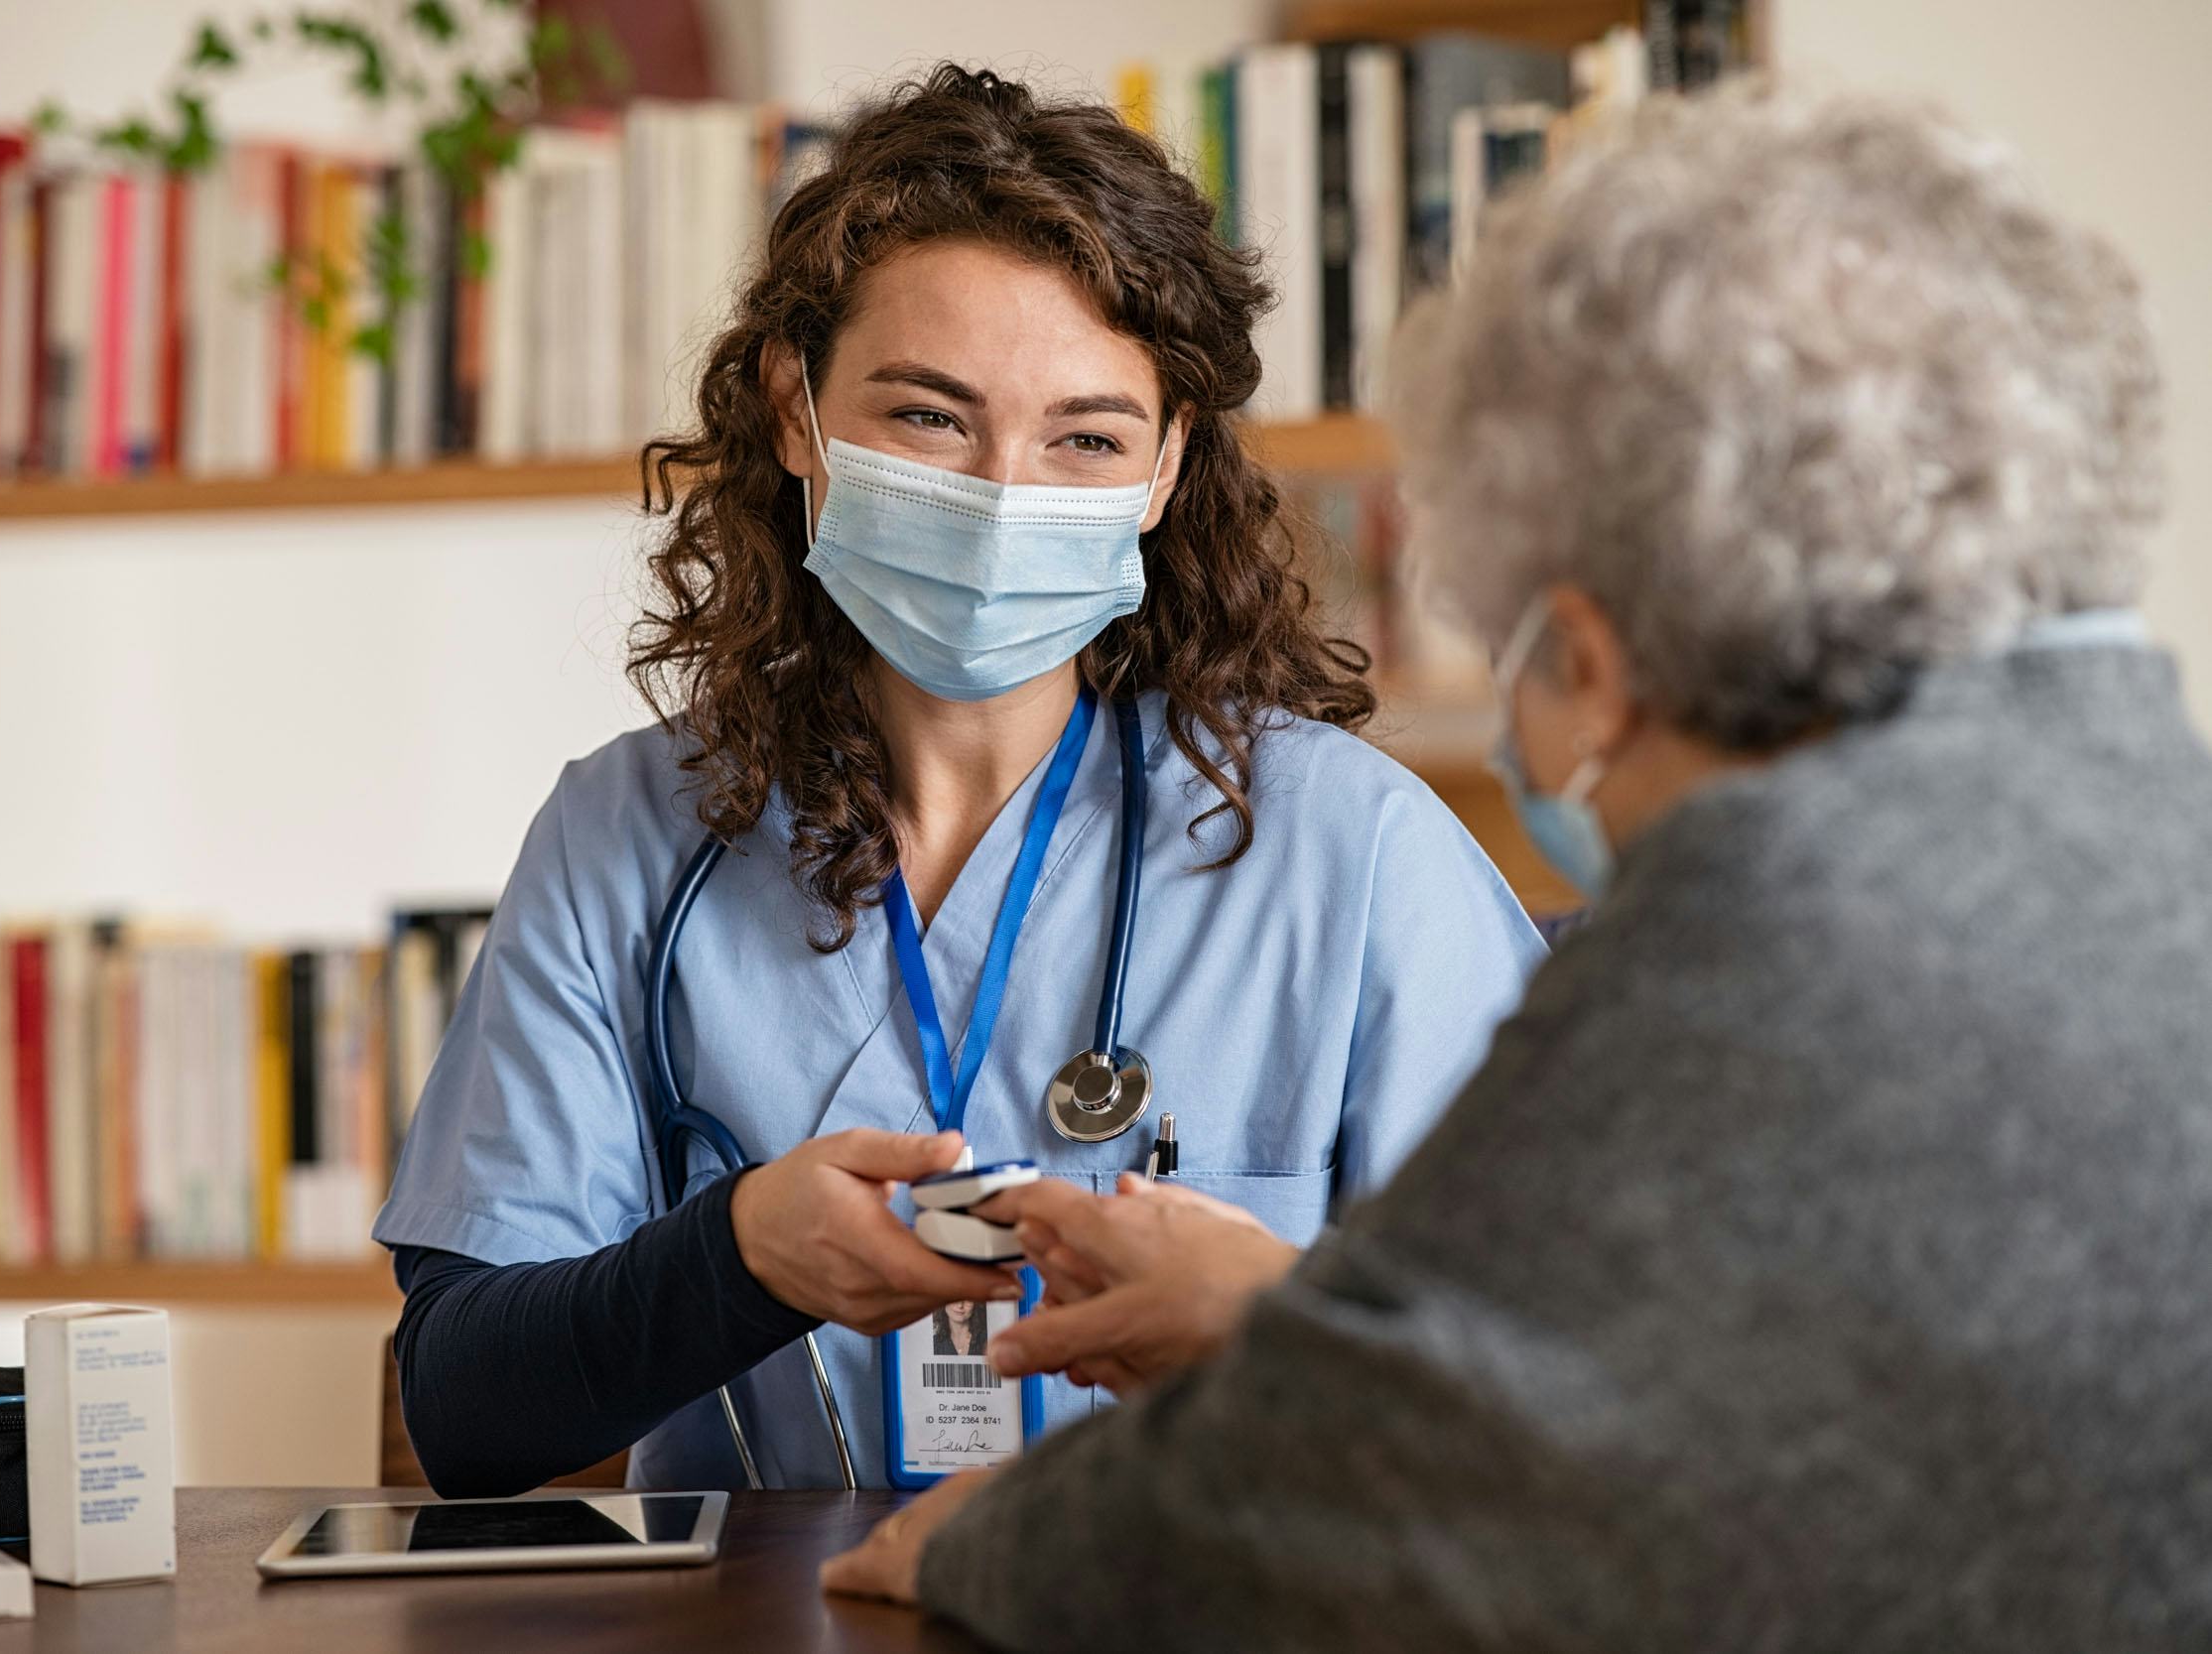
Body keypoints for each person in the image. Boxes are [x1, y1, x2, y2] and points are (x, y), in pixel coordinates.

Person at [822, 81, 2212, 1649]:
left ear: (1600, 666)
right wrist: (1291, 1326)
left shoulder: (1765, 919)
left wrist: (982, 1548)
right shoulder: (2144, 802)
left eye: (1521, 665)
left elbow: (1404, 1497)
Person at [371, 64, 1543, 1494]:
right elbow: (468, 1411)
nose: (1003, 495)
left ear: (1166, 470)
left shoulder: (1351, 855)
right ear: (793, 412)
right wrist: (737, 1254)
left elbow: (1548, 1392)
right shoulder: (630, 840)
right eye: (929, 419)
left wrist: (1262, 1325)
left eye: (1087, 438)